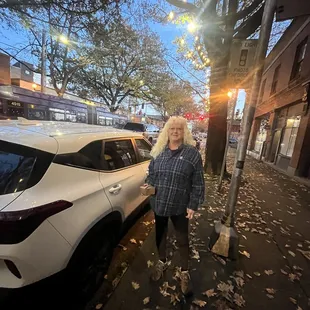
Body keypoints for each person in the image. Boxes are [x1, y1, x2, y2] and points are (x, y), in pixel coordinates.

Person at [146, 116, 205, 296]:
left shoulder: (192, 154)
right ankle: (162, 261)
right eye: (172, 129)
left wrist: (193, 205)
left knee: (182, 239)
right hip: (160, 203)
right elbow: (152, 175)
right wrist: (148, 185)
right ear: (167, 131)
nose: (175, 131)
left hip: (180, 205)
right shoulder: (159, 152)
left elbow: (198, 182)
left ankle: (185, 271)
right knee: (160, 234)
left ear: (184, 131)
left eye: (179, 128)